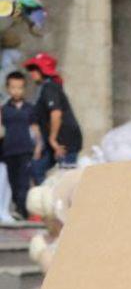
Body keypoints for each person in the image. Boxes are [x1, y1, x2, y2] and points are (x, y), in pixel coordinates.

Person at [24, 52, 81, 185]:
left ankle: (66, 204)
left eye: (35, 68)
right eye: (30, 69)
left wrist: (53, 139)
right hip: (53, 143)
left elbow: (56, 114)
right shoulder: (43, 88)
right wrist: (41, 144)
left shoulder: (50, 88)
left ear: (43, 70)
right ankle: (48, 199)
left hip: (64, 141)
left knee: (67, 180)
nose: (31, 72)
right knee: (36, 168)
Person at [1, 71, 40, 219]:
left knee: (23, 182)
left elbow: (35, 129)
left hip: (25, 150)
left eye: (19, 87)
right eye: (13, 87)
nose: (16, 91)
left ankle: (22, 212)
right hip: (8, 151)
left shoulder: (30, 108)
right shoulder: (4, 110)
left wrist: (37, 146)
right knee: (12, 183)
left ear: (24, 88)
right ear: (8, 88)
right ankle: (17, 208)